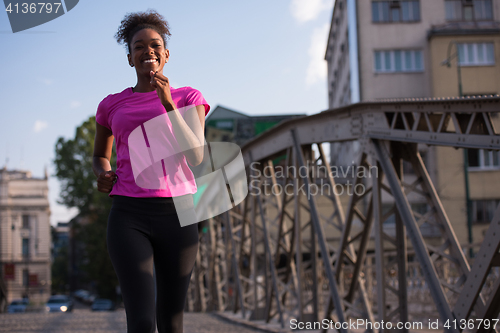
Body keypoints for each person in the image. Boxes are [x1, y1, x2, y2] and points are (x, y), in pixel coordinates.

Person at [92, 10, 209, 333]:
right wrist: (102, 173)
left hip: (179, 212)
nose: (148, 51)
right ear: (130, 58)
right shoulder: (111, 105)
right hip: (129, 214)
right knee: (142, 321)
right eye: (139, 46)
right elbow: (100, 155)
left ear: (166, 55)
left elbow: (197, 156)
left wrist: (168, 104)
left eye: (155, 45)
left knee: (171, 320)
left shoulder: (189, 97)